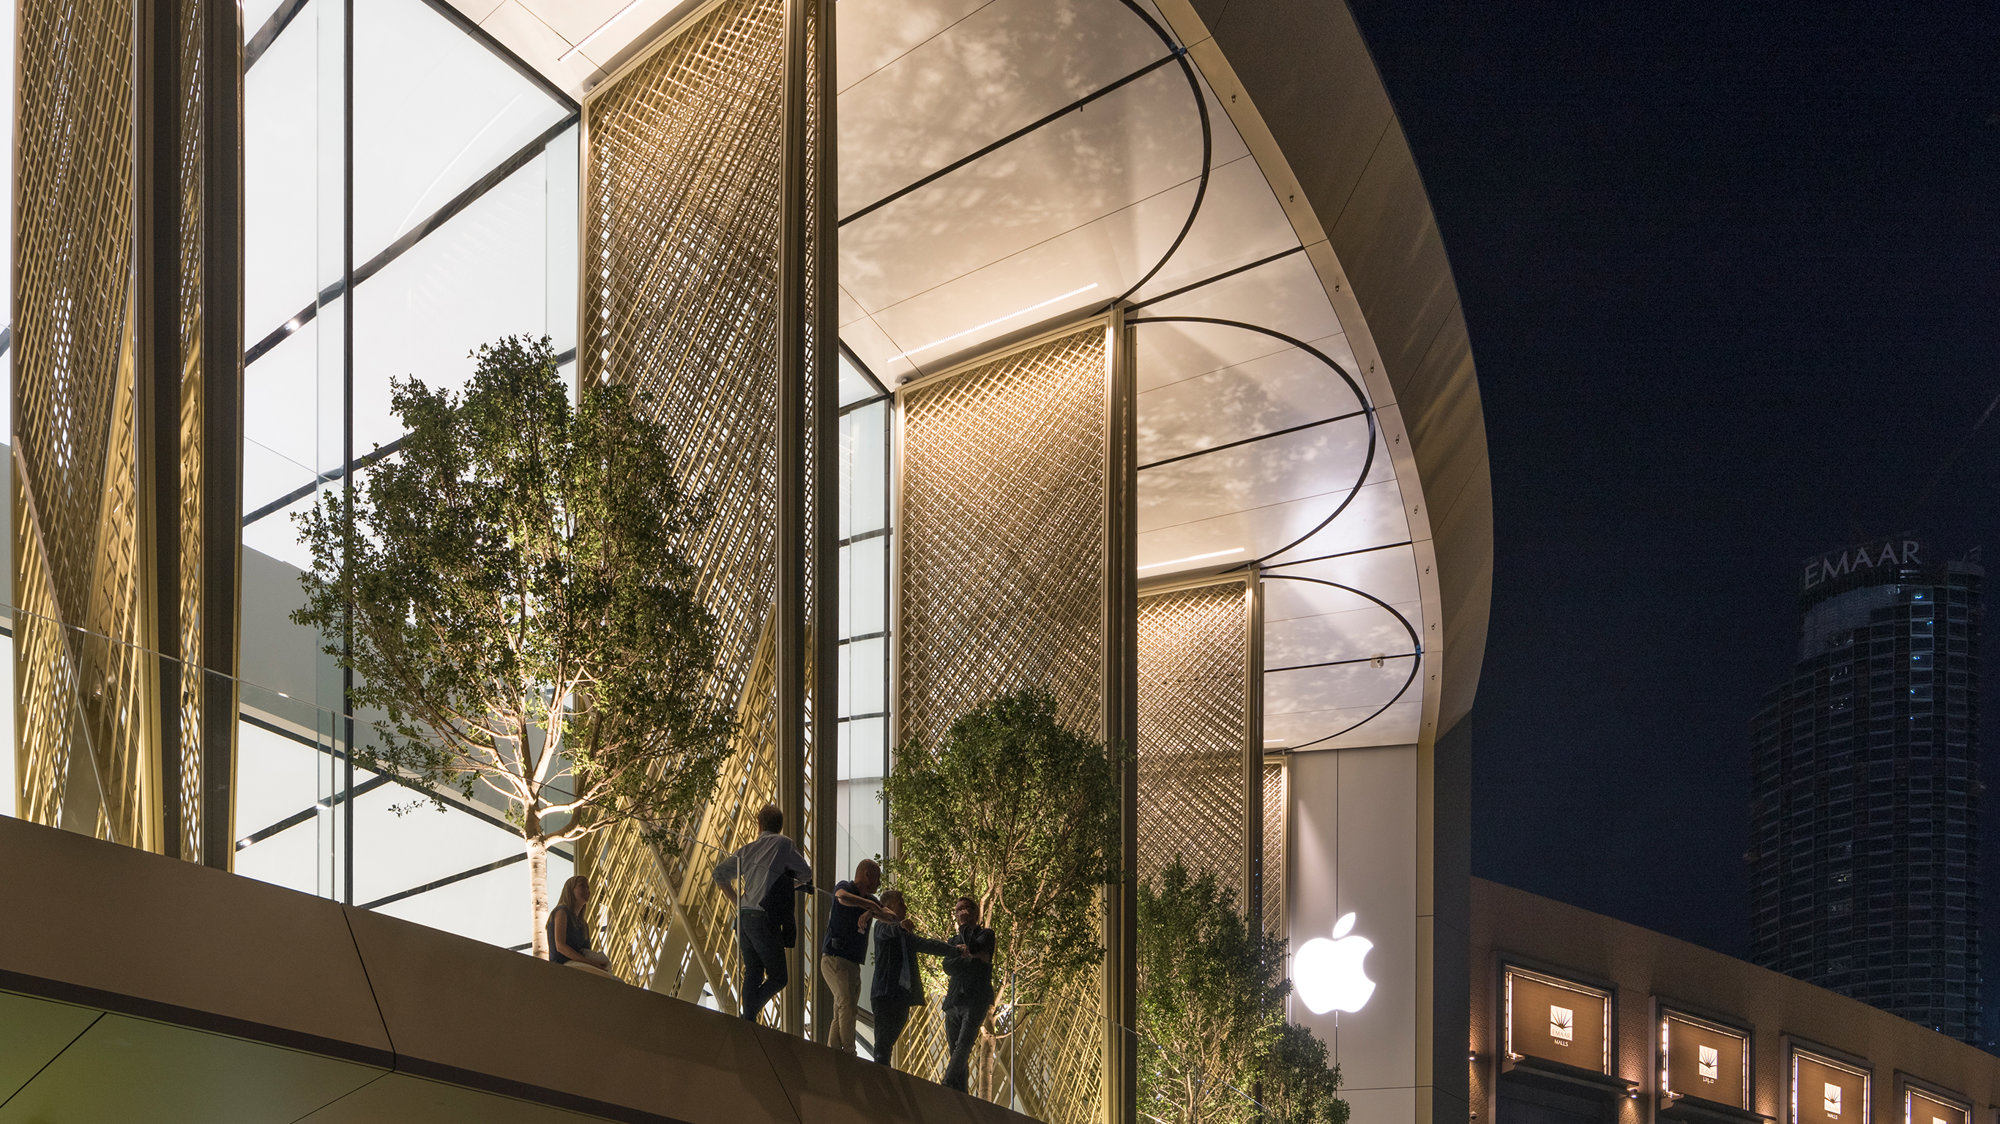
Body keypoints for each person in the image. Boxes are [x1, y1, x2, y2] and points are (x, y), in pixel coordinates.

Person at [712, 802, 812, 1024]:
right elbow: (806, 874)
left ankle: (748, 1020)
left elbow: (719, 873)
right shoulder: (783, 844)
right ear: (780, 825)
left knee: (753, 971)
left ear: (758, 824)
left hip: (744, 918)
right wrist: (787, 884)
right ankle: (748, 1015)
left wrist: (736, 900)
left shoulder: (747, 850)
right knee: (779, 977)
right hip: (763, 919)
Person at [867, 890, 957, 1068]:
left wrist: (955, 951)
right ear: (889, 907)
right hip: (885, 995)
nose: (905, 907)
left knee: (889, 1041)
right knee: (883, 1044)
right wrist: (900, 926)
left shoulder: (903, 935)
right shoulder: (881, 926)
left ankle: (882, 1073)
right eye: (901, 903)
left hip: (901, 996)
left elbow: (927, 944)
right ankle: (879, 1076)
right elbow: (887, 930)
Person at [823, 859, 894, 1054]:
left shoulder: (871, 901)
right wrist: (871, 905)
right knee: (846, 1002)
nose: (878, 884)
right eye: (877, 879)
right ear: (867, 875)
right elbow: (842, 897)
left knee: (845, 1007)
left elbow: (889, 915)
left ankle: (834, 1050)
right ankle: (849, 1049)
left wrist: (871, 911)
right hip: (835, 958)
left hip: (853, 963)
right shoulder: (845, 886)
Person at [939, 896, 996, 1093]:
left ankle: (946, 1085)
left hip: (976, 1000)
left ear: (976, 912)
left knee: (964, 1045)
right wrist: (971, 958)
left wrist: (967, 947)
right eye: (959, 909)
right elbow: (947, 966)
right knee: (955, 1050)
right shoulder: (952, 941)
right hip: (953, 1001)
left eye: (967, 908)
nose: (962, 912)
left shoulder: (987, 935)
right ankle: (960, 1094)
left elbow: (976, 948)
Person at [548, 875, 617, 980]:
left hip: (577, 964)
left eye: (588, 887)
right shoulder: (561, 912)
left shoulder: (583, 924)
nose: (587, 890)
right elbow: (560, 946)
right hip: (563, 964)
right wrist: (592, 963)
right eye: (582, 886)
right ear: (571, 890)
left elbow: (585, 951)